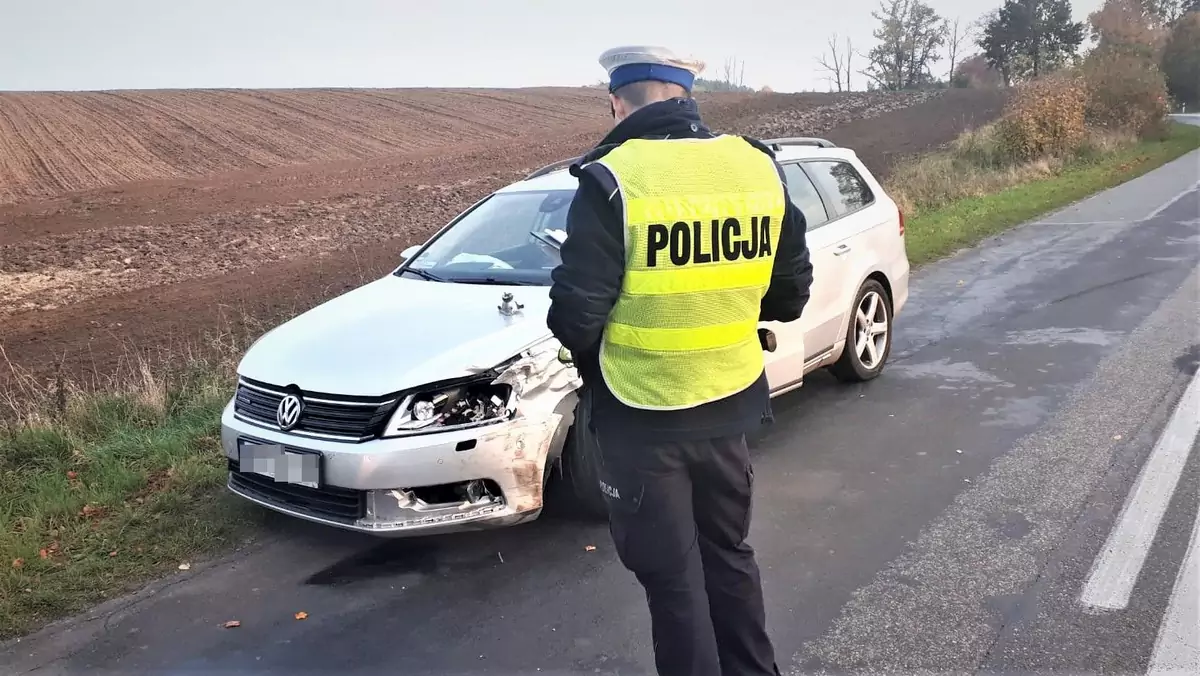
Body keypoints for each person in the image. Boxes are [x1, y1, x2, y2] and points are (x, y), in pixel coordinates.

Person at [546, 45, 814, 676]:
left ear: (617, 100)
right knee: (730, 557)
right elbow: (790, 293)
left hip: (642, 417)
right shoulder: (757, 167)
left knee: (673, 583)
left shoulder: (613, 178)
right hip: (729, 406)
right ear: (687, 94)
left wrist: (599, 362)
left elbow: (575, 317)